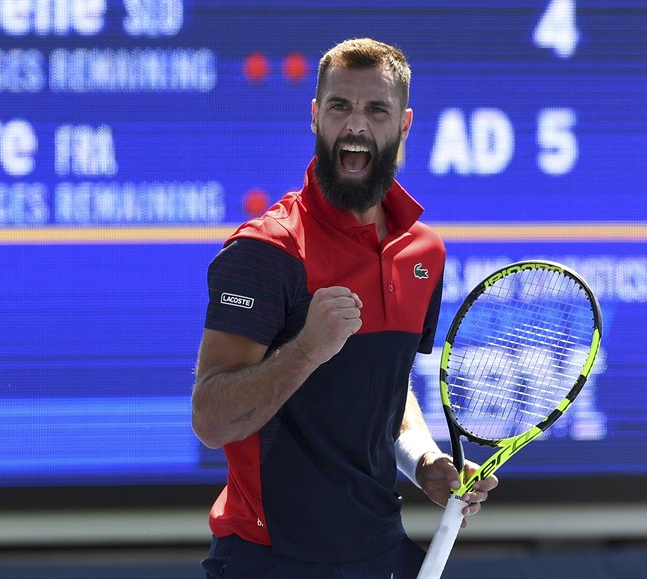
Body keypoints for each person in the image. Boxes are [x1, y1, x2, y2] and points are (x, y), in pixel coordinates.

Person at [191, 38, 499, 578]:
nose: (355, 125)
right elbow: (212, 419)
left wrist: (423, 461)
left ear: (402, 126)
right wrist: (306, 351)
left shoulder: (424, 252)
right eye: (340, 106)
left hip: (380, 553)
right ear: (316, 117)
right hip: (269, 561)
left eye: (375, 109)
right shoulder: (266, 251)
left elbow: (387, 385)